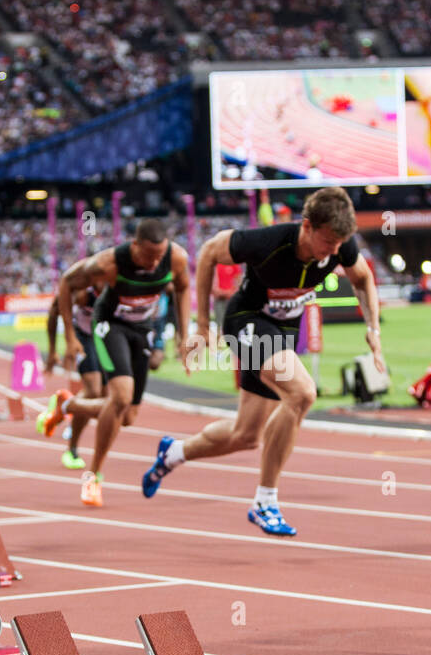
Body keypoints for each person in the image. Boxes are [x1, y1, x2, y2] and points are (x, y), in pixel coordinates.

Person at [141, 186, 386, 537]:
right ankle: (264, 501)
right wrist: (200, 325)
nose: (333, 253)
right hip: (247, 319)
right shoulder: (268, 241)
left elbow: (362, 278)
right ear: (307, 226)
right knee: (302, 393)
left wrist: (373, 329)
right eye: (328, 242)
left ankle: (173, 453)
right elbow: (210, 252)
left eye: (339, 245)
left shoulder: (340, 246)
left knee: (246, 435)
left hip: (282, 329)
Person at [37, 219, 191, 506]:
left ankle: (66, 405)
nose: (154, 262)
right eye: (148, 256)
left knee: (128, 416)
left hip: (142, 329)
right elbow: (66, 284)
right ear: (134, 246)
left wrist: (184, 334)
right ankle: (93, 475)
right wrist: (69, 338)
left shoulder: (176, 258)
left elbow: (182, 288)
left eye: (159, 256)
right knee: (118, 397)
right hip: (109, 325)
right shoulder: (109, 262)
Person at [42, 264, 105, 470]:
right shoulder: (79, 290)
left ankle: (64, 405)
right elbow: (53, 314)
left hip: (105, 337)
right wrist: (53, 350)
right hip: (82, 336)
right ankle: (72, 449)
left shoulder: (119, 287)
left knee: (107, 398)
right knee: (94, 391)